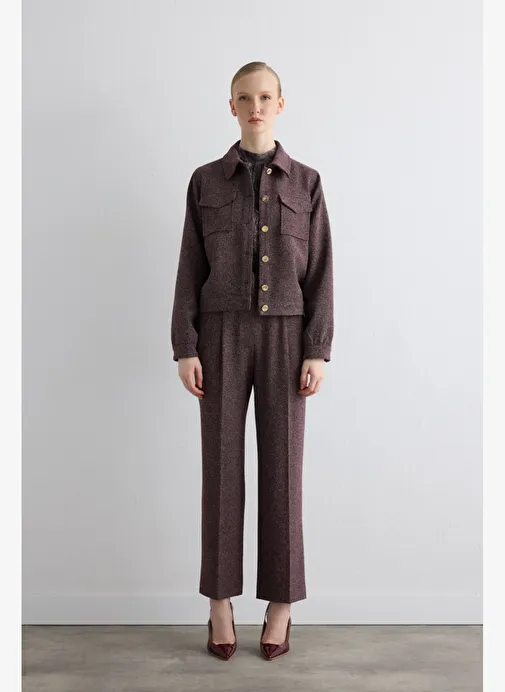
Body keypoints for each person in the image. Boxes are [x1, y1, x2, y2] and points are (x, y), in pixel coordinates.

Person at [170, 61, 334, 661]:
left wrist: (317, 347)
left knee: (283, 470)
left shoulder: (307, 182)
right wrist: (185, 345)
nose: (256, 107)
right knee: (220, 468)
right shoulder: (205, 181)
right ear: (232, 105)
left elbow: (322, 270)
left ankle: (281, 604)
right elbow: (190, 265)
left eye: (265, 97)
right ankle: (220, 601)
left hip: (287, 336)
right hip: (220, 334)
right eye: (245, 98)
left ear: (280, 104)